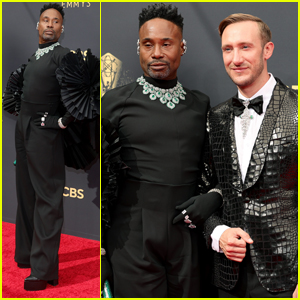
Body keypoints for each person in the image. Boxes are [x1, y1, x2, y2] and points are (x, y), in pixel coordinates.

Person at [101, 3, 222, 298]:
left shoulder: (201, 104)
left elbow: (220, 170)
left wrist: (213, 198)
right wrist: (101, 248)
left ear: (182, 47)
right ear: (138, 48)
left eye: (166, 44)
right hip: (131, 237)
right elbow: (100, 180)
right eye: (148, 44)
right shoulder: (113, 102)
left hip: (188, 233)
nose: (156, 53)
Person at [3, 3, 99, 291]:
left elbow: (88, 94)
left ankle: (43, 271)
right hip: (24, 131)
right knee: (26, 195)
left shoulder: (65, 57)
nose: (49, 25)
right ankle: (27, 256)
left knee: (47, 200)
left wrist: (59, 122)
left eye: (55, 21)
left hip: (45, 134)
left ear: (62, 28)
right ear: (37, 25)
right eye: (45, 20)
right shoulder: (34, 58)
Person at [204, 13, 298, 298]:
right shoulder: (216, 117)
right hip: (228, 275)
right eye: (228, 49)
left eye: (245, 47)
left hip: (287, 275)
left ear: (267, 50)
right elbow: (205, 188)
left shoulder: (296, 111)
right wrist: (218, 232)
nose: (235, 59)